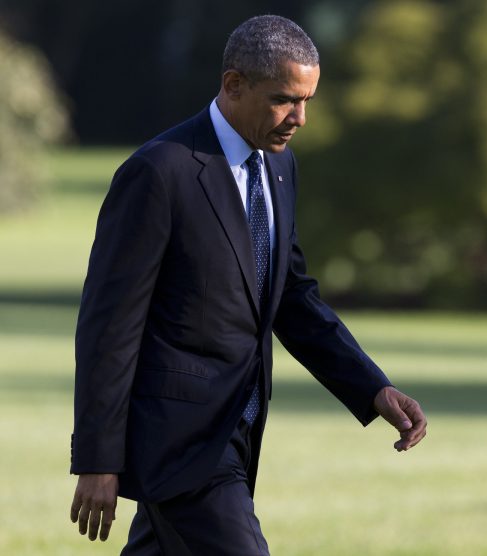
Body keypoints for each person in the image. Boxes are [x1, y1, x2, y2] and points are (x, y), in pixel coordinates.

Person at [69, 14, 427, 555]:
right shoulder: (159, 172)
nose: (299, 118)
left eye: (306, 101)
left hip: (238, 431)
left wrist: (371, 388)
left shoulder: (281, 169)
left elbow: (292, 297)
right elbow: (109, 325)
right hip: (178, 442)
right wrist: (98, 458)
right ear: (234, 85)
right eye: (284, 100)